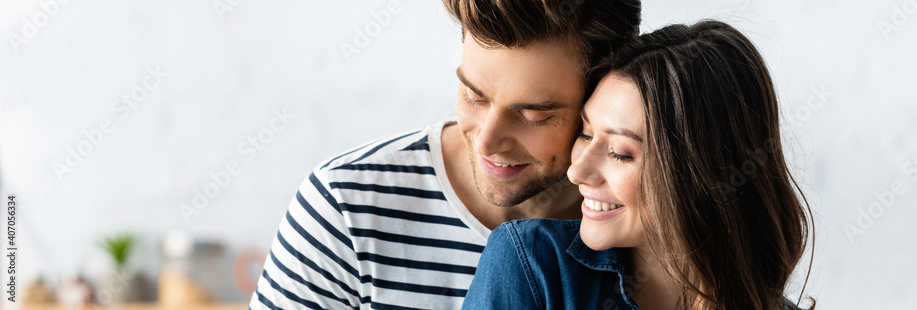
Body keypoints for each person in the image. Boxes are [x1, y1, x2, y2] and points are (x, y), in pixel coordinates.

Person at [248, 1, 641, 309]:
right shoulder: (345, 206)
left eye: (534, 114)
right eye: (474, 95)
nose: (487, 142)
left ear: (601, 96)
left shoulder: (645, 218)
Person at [462, 20, 816, 310]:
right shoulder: (532, 265)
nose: (577, 172)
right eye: (585, 134)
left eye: (619, 152)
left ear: (700, 174)